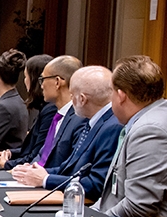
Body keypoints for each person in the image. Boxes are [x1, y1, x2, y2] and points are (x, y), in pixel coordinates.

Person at [12, 66, 123, 200]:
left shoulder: (112, 127)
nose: (70, 100)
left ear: (82, 99)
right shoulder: (95, 121)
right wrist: (37, 172)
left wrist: (46, 179)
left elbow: (96, 184)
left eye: (72, 95)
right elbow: (71, 167)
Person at [94, 55, 167, 217]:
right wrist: (86, 214)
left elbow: (138, 206)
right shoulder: (153, 117)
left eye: (111, 91)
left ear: (121, 96)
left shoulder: (150, 130)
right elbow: (114, 196)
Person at [0, 54, 57, 168]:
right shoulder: (44, 108)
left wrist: (6, 164)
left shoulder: (51, 110)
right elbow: (31, 148)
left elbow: (36, 154)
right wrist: (9, 153)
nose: (25, 81)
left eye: (26, 77)